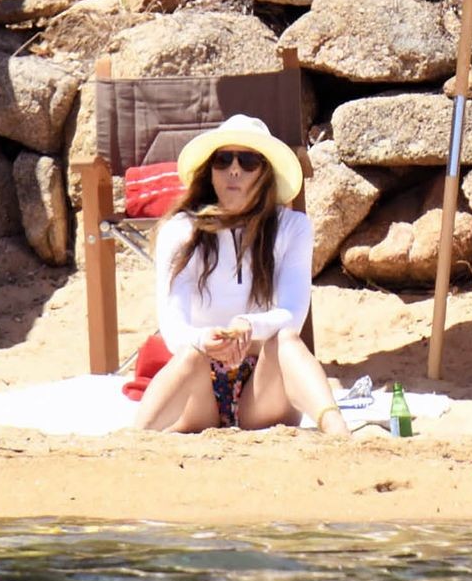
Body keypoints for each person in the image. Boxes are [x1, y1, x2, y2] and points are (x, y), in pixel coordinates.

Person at [131, 113, 348, 435]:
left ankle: (338, 431)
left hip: (261, 389)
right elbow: (173, 326)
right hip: (200, 390)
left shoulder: (292, 227)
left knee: (286, 340)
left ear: (265, 173)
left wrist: (249, 325)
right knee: (190, 356)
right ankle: (134, 437)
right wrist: (205, 340)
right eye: (223, 160)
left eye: (248, 161)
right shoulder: (181, 230)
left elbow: (293, 314)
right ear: (210, 171)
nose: (234, 169)